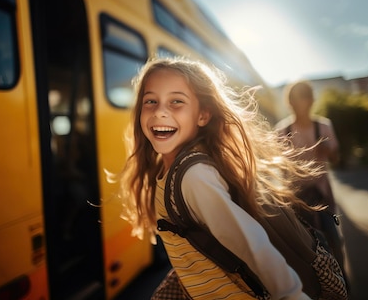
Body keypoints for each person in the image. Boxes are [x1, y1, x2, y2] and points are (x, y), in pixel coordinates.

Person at [111, 57, 324, 300]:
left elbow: (250, 243)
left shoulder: (194, 177)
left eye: (176, 102)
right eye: (151, 101)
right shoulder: (167, 168)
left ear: (203, 115)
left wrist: (291, 295)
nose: (160, 112)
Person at [275, 80, 346, 279]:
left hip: (323, 197)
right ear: (290, 102)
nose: (302, 103)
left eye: (306, 97)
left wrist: (328, 151)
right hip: (296, 200)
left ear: (311, 100)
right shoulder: (282, 131)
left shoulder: (323, 126)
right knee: (305, 249)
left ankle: (342, 285)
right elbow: (278, 169)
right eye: (297, 98)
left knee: (333, 243)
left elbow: (336, 158)